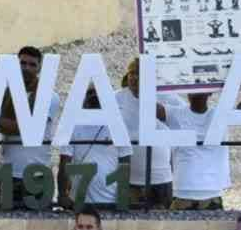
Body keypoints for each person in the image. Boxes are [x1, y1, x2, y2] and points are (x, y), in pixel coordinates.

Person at [0, 46, 61, 209]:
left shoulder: (49, 96)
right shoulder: (4, 94)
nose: (26, 68)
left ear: (39, 68)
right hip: (9, 175)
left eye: (32, 64)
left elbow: (26, 128)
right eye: (22, 63)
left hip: (38, 175)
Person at [116, 57, 178, 208]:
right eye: (132, 73)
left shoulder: (166, 97)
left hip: (161, 178)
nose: (135, 77)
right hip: (130, 178)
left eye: (140, 73)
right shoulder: (116, 97)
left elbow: (185, 120)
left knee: (163, 225)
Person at [58, 86, 132, 209]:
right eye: (90, 93)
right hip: (78, 199)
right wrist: (62, 195)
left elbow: (125, 162)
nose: (94, 96)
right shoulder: (73, 127)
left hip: (110, 200)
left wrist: (122, 194)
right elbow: (64, 164)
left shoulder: (117, 127)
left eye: (99, 93)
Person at [168, 92, 230, 210]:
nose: (195, 92)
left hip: (212, 193)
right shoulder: (176, 113)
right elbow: (151, 108)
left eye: (199, 88)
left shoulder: (220, 115)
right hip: (183, 193)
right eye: (192, 88)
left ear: (210, 92)